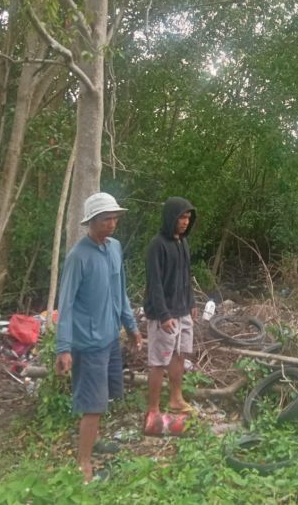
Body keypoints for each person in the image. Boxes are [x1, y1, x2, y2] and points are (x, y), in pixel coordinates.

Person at [55, 192, 142, 483]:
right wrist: (63, 347)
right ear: (91, 222)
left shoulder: (115, 248)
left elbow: (121, 292)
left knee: (105, 397)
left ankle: (93, 444)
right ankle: (84, 463)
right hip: (88, 343)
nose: (112, 224)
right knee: (92, 405)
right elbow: (65, 304)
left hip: (110, 338)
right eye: (106, 219)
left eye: (115, 218)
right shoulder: (78, 256)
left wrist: (131, 327)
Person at [143, 196, 198, 431]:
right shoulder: (157, 245)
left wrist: (192, 301)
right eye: (181, 217)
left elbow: (185, 276)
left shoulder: (182, 243)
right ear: (170, 218)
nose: (185, 222)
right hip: (162, 315)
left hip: (182, 310)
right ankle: (153, 409)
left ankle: (176, 399)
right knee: (158, 362)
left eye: (187, 217)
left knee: (180, 356)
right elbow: (154, 283)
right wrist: (164, 315)